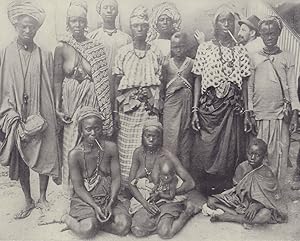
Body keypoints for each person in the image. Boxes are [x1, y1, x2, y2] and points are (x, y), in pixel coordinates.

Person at [0, 0, 61, 219]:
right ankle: (27, 199)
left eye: (31, 26)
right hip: (16, 112)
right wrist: (10, 113)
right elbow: (3, 86)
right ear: (15, 26)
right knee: (20, 154)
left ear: (37, 28)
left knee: (45, 152)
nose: (27, 30)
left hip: (41, 111)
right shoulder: (5, 53)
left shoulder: (45, 54)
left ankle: (43, 197)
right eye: (23, 26)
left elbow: (50, 85)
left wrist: (50, 113)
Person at [54, 0, 113, 195]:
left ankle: (95, 190)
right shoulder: (61, 47)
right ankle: (71, 192)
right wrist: (57, 107)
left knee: (92, 140)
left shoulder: (95, 48)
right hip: (71, 100)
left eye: (81, 21)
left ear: (86, 22)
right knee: (71, 144)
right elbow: (56, 79)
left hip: (91, 98)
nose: (77, 25)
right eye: (73, 21)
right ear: (68, 23)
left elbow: (104, 82)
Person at [191, 6, 251, 194]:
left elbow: (246, 82)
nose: (226, 25)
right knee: (206, 147)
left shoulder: (241, 51)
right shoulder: (205, 48)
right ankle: (206, 188)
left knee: (230, 149)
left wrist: (248, 112)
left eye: (230, 21)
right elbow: (198, 79)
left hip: (231, 108)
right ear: (215, 24)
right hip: (209, 108)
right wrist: (194, 110)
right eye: (222, 21)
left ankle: (224, 188)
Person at [62, 106, 131, 238]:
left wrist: (111, 202)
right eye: (88, 129)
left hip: (108, 196)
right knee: (87, 230)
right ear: (81, 131)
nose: (93, 133)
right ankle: (67, 219)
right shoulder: (74, 155)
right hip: (86, 199)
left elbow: (116, 178)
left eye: (97, 128)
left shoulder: (111, 148)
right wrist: (94, 206)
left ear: (102, 128)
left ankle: (97, 223)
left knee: (124, 226)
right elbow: (79, 187)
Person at [246, 16, 300, 184]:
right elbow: (249, 87)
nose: (269, 37)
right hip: (260, 114)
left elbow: (292, 86)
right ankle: (258, 192)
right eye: (265, 33)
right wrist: (249, 112)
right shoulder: (253, 57)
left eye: (273, 33)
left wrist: (295, 114)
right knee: (260, 155)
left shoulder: (288, 57)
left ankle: (274, 193)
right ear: (260, 35)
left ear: (279, 33)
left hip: (280, 115)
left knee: (280, 154)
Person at [113, 6, 162, 185]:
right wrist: (116, 112)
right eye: (136, 26)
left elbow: (160, 82)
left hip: (148, 108)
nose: (140, 29)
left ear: (148, 28)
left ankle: (146, 186)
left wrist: (152, 99)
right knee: (126, 148)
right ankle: (128, 186)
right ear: (131, 28)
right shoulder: (123, 52)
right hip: (128, 109)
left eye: (143, 25)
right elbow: (116, 83)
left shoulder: (155, 52)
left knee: (149, 144)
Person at [128, 120, 197, 239]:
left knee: (165, 233)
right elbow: (131, 183)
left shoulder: (167, 155)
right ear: (142, 136)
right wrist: (146, 205)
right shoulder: (138, 153)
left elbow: (190, 183)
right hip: (148, 200)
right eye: (147, 136)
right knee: (137, 230)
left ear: (160, 138)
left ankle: (188, 211)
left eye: (154, 136)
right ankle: (158, 220)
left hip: (167, 199)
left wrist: (165, 194)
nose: (150, 139)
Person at [207, 138, 288, 226]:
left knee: (265, 215)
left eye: (257, 155)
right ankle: (245, 218)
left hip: (258, 205)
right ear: (246, 152)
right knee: (212, 201)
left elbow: (271, 198)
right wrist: (232, 199)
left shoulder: (267, 173)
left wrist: (257, 205)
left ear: (264, 156)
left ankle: (229, 217)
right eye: (250, 154)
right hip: (242, 201)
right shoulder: (242, 167)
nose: (252, 158)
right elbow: (236, 189)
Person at [88, 0, 132, 111]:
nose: (109, 11)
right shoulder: (92, 37)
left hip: (120, 85)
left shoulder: (126, 38)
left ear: (117, 12)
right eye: (105, 7)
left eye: (112, 8)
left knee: (119, 115)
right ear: (99, 11)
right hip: (99, 85)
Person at [161, 32, 194, 169]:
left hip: (187, 103)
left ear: (186, 47)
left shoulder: (192, 63)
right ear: (171, 47)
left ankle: (184, 174)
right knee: (170, 137)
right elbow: (162, 85)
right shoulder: (167, 64)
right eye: (175, 47)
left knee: (186, 138)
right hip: (170, 105)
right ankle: (168, 172)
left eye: (181, 46)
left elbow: (196, 82)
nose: (178, 50)